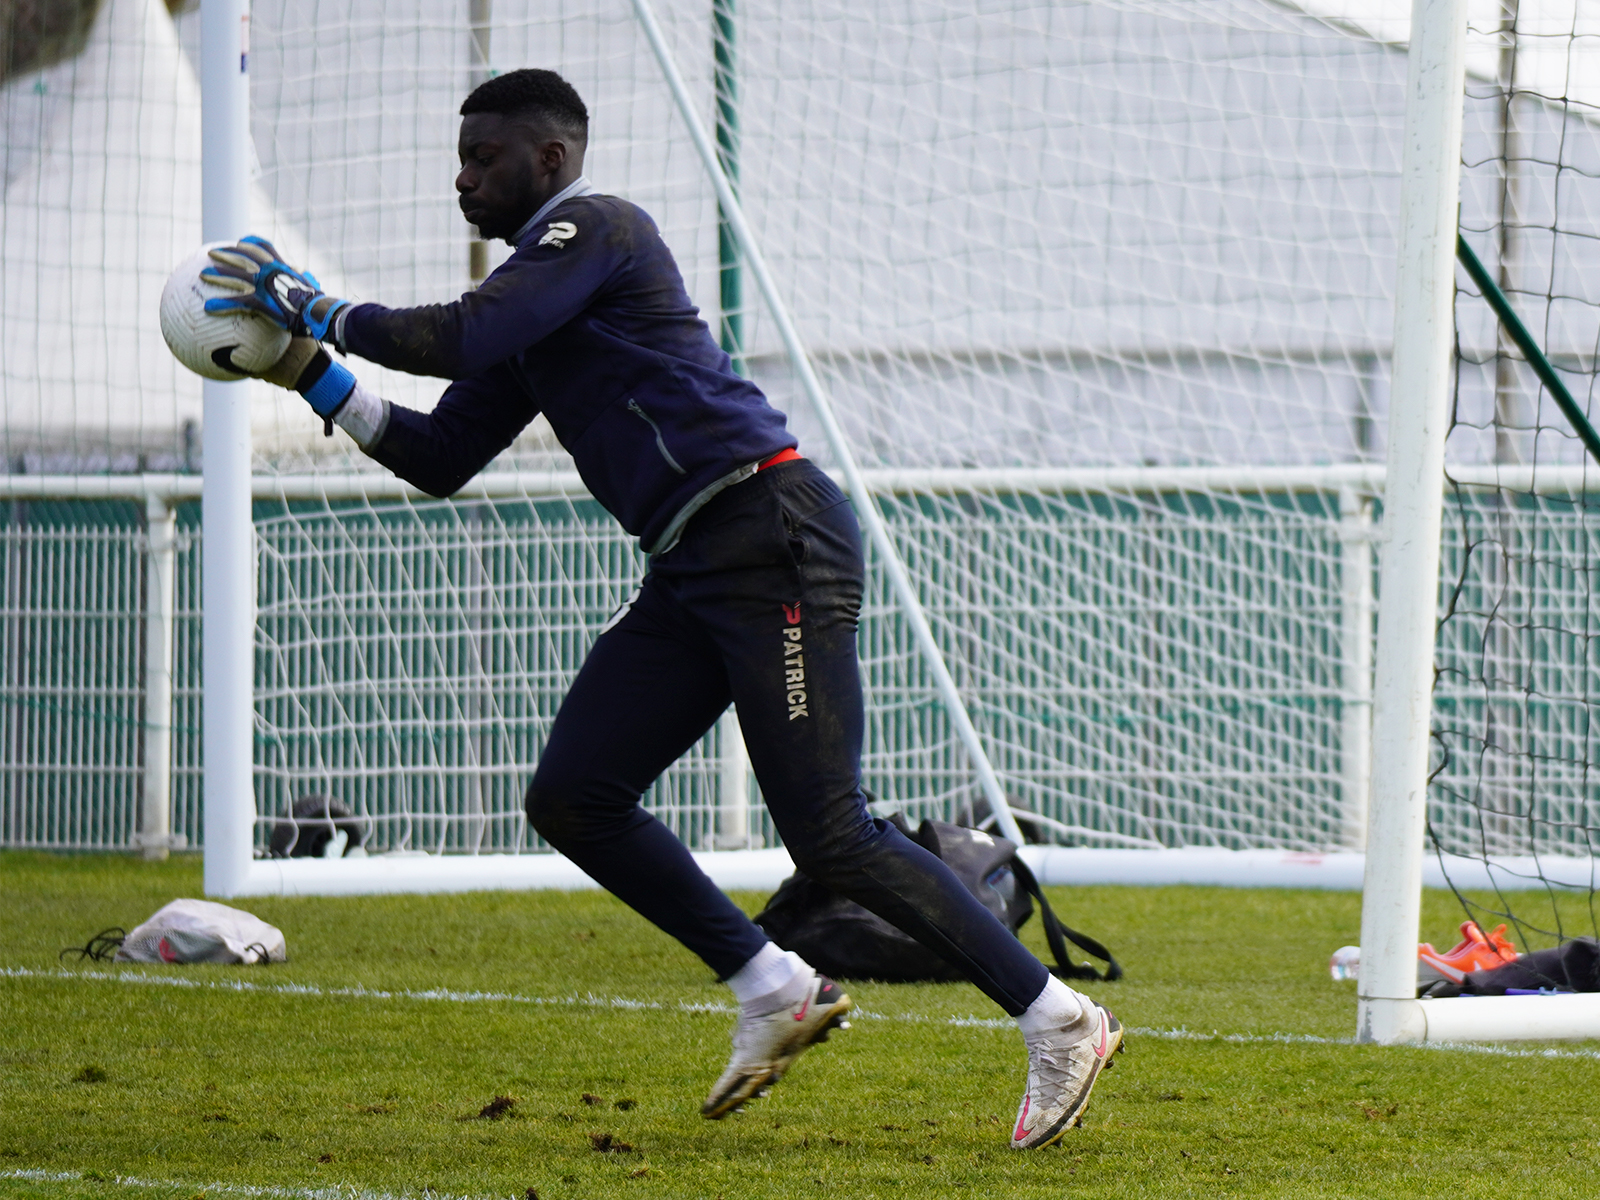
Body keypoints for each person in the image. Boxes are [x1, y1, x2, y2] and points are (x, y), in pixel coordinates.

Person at [203, 67, 1122, 1148]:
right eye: (458, 158)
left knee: (830, 830)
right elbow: (443, 454)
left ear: (548, 160)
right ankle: (771, 985)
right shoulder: (529, 314)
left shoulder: (595, 227)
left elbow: (446, 337)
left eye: (481, 157)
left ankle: (1059, 1017)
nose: (461, 179)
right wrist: (314, 373)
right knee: (575, 795)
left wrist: (317, 306)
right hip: (693, 564)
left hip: (767, 532)